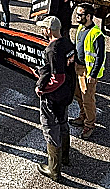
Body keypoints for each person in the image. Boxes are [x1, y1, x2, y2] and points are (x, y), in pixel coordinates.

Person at [35, 15, 77, 181]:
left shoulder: (52, 50)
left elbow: (57, 78)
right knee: (63, 122)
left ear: (49, 30)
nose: (42, 31)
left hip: (55, 96)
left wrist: (42, 89)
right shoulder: (67, 43)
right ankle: (65, 157)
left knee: (51, 128)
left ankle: (53, 169)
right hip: (67, 93)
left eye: (43, 28)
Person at [69, 3, 105, 140]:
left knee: (88, 99)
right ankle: (82, 117)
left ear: (88, 16)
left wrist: (93, 74)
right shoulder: (80, 28)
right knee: (78, 95)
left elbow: (100, 57)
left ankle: (89, 124)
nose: (77, 17)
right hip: (77, 68)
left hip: (87, 71)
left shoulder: (96, 34)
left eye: (80, 15)